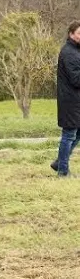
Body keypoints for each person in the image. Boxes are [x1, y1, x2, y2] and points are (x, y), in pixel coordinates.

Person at [57, 22, 80, 177]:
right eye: (79, 33)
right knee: (69, 134)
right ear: (71, 34)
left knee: (78, 133)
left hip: (75, 101)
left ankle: (59, 162)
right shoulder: (69, 53)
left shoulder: (75, 50)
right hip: (70, 102)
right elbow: (76, 79)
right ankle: (63, 171)